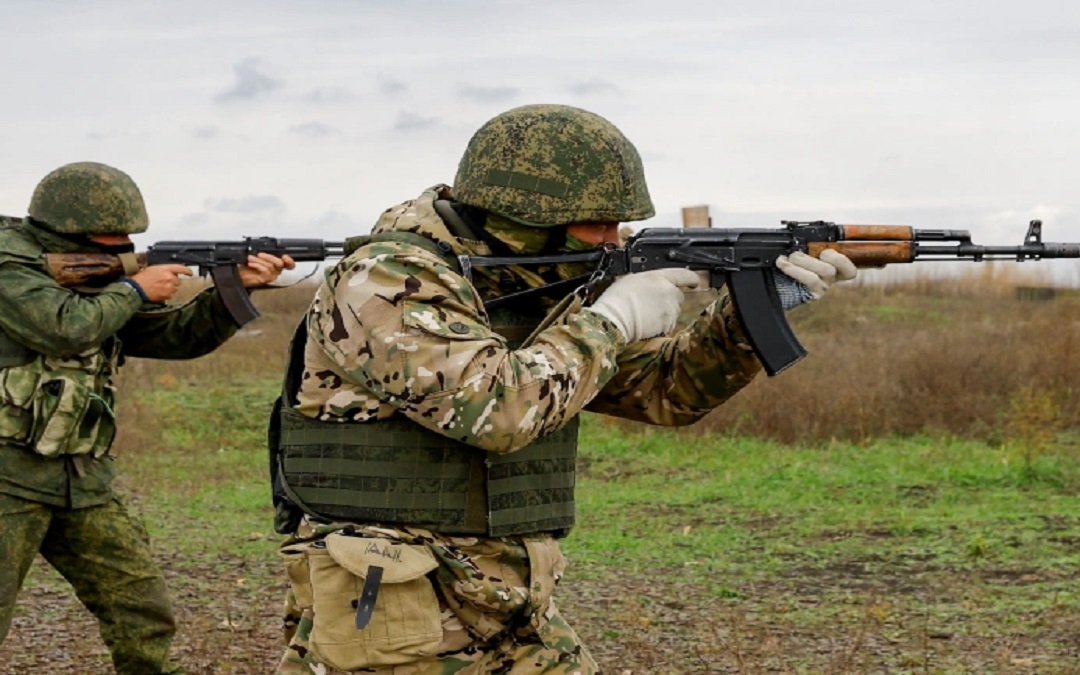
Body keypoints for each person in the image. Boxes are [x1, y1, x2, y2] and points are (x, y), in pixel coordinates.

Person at [270, 104, 858, 674]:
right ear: (523, 215)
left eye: (618, 221)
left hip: (507, 599)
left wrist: (745, 319)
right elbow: (494, 410)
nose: (613, 238)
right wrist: (611, 320)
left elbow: (663, 391)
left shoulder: (530, 278)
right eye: (596, 222)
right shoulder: (388, 278)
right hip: (396, 600)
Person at [0, 161, 294, 674]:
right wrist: (135, 288)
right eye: (110, 237)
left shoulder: (98, 282)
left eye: (127, 238)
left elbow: (171, 336)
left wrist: (236, 290)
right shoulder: (11, 266)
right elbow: (63, 328)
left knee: (141, 606)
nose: (122, 247)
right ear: (65, 228)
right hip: (7, 478)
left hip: (80, 477)